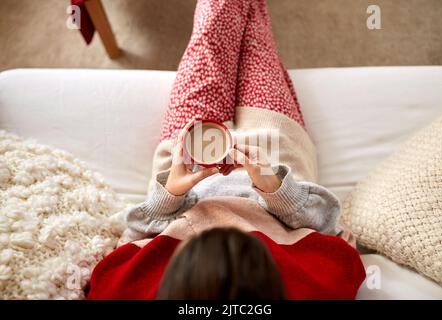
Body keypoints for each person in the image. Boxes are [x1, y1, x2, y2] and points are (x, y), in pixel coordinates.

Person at [87, 0, 365, 300]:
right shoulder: (323, 289)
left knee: (217, 17)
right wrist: (275, 189)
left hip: (188, 152)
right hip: (274, 153)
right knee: (252, 25)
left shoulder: (119, 292)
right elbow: (335, 231)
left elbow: (129, 237)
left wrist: (169, 196)